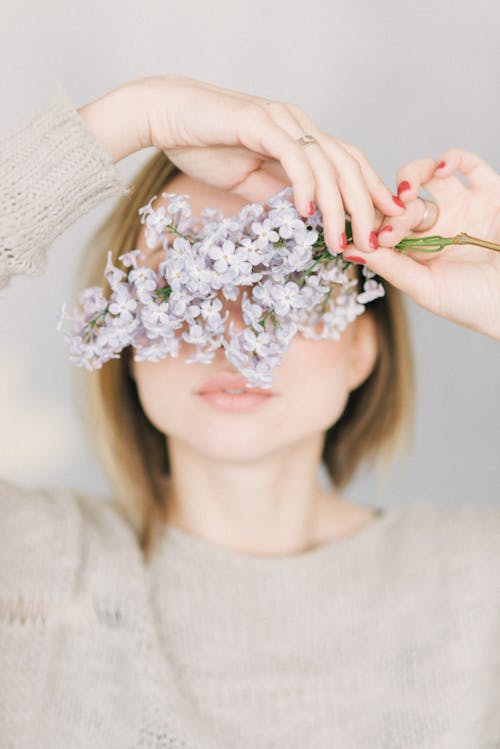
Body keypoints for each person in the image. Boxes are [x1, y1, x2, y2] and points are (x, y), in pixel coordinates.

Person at [0, 74, 498, 748]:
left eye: (286, 281)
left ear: (362, 344)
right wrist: (135, 115)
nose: (235, 330)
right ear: (123, 340)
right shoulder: (27, 567)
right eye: (180, 281)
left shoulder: (478, 585)